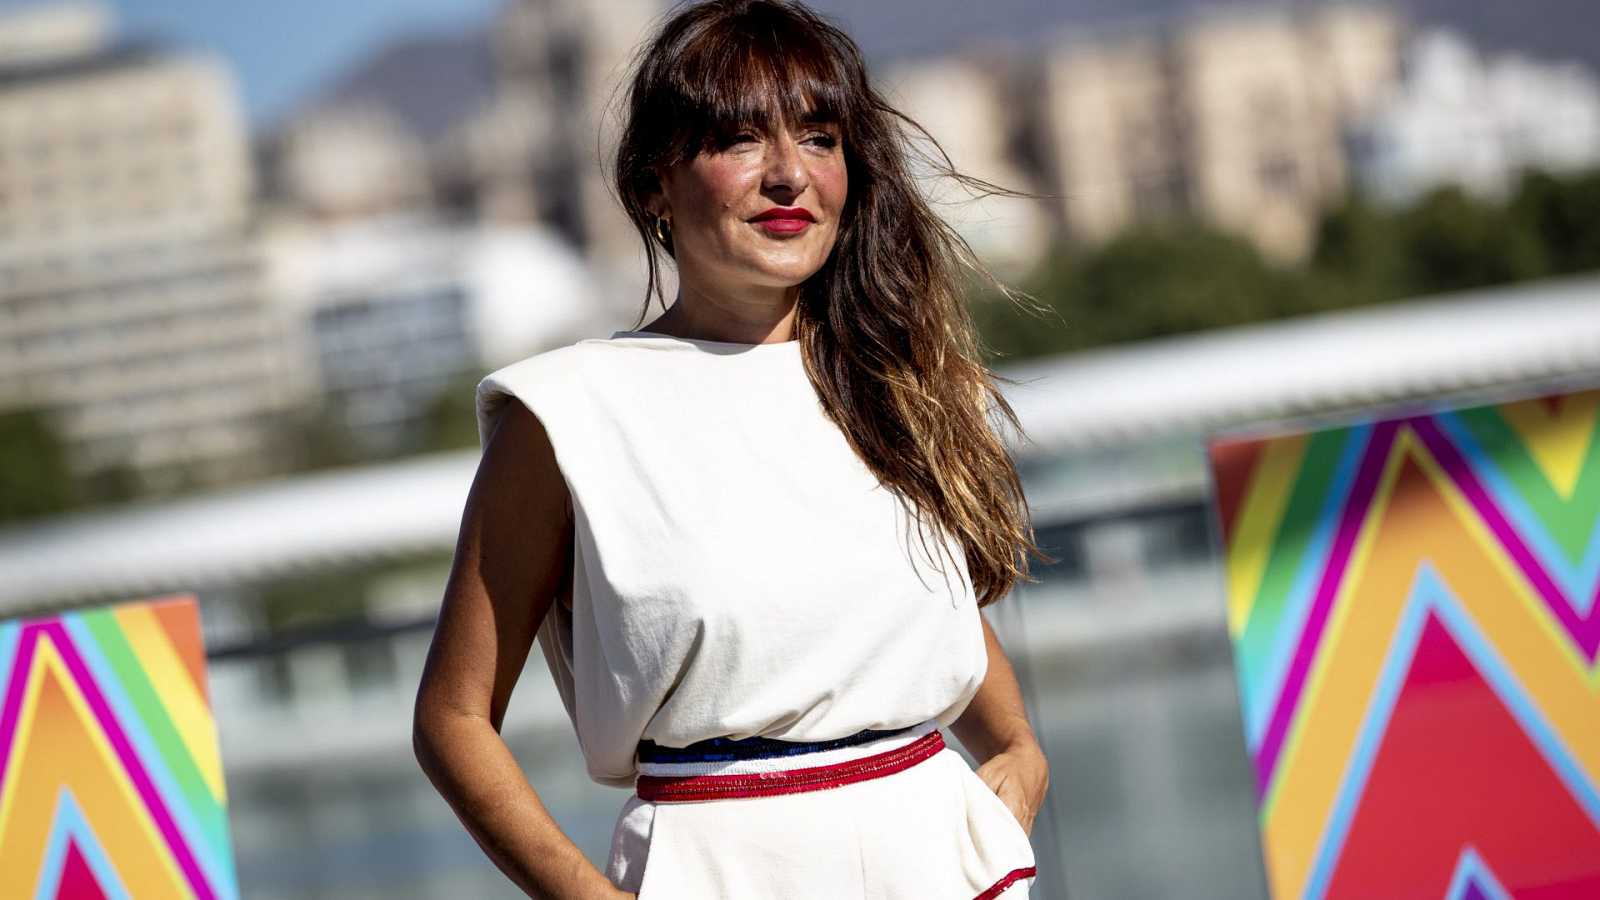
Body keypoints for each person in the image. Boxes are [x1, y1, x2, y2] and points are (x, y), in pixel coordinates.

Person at [412, 1, 1056, 896]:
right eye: (741, 139)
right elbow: (452, 718)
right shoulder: (565, 415)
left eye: (821, 138)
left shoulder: (892, 383)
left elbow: (905, 605)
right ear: (653, 183)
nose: (790, 175)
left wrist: (1019, 749)